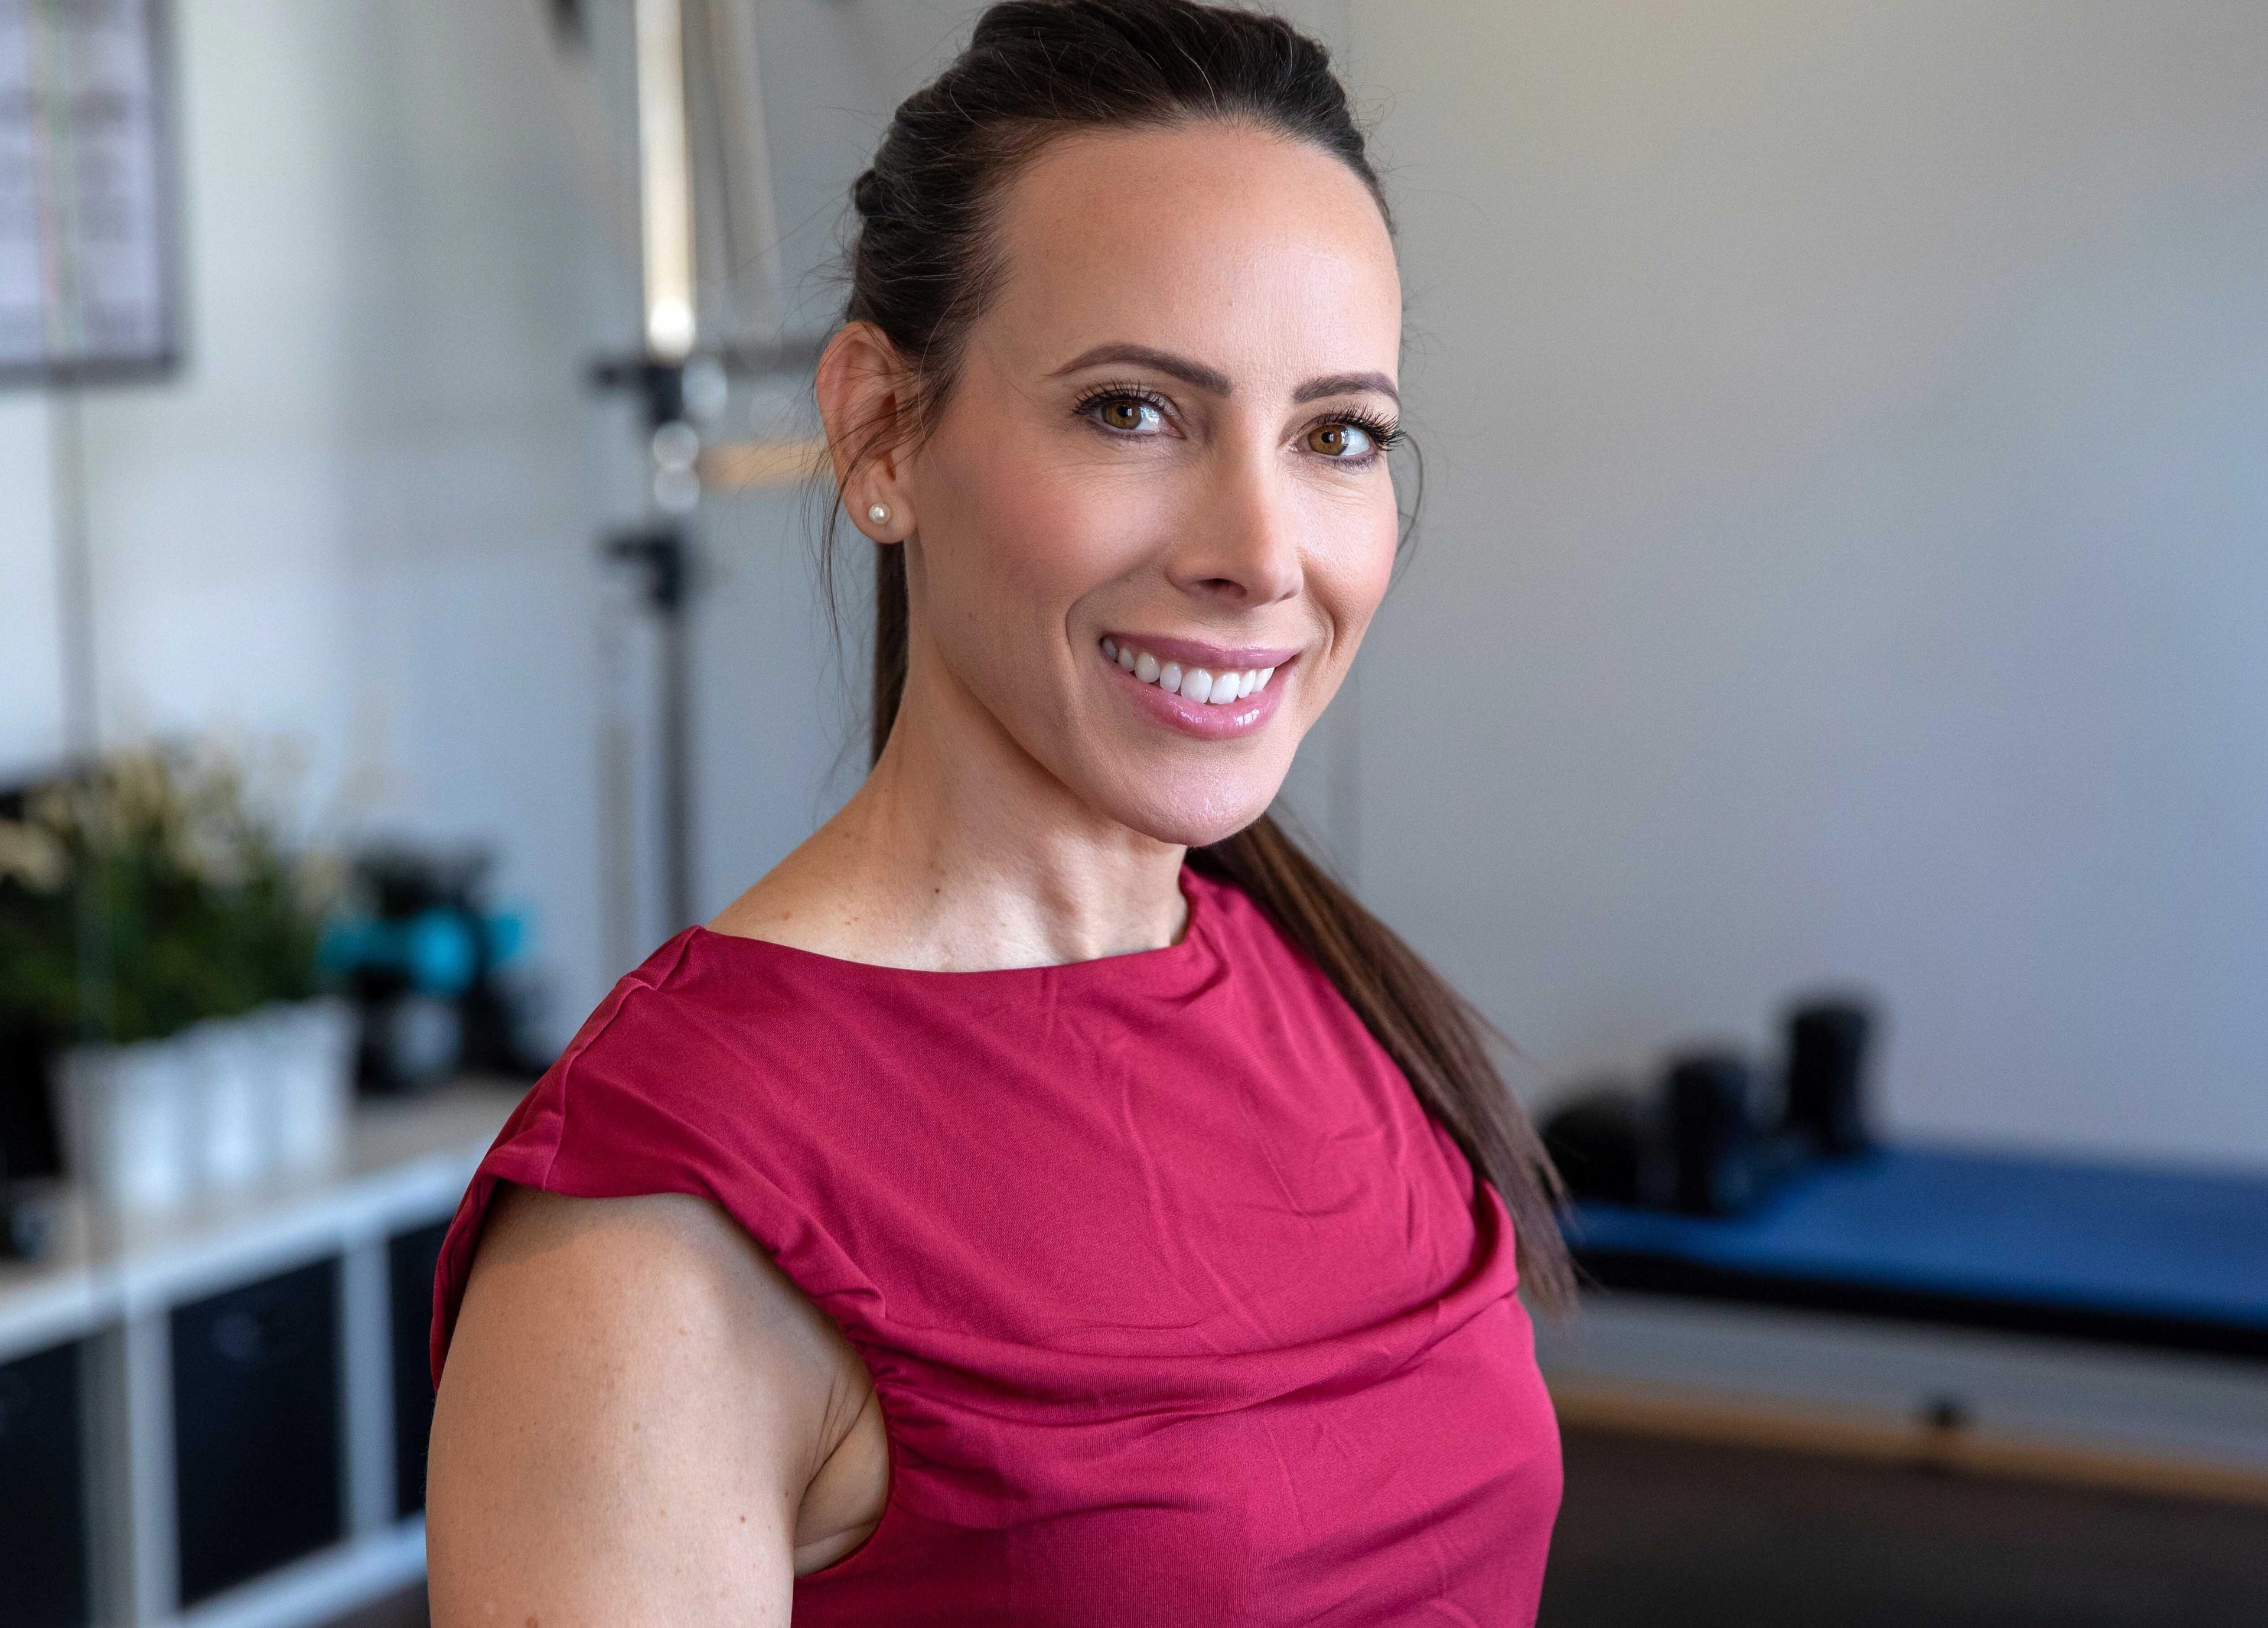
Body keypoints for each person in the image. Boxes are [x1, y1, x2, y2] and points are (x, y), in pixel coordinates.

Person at [426, 1, 1571, 1620]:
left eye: (1338, 435)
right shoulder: (667, 1218)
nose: (1261, 547)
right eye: (1134, 410)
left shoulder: (1337, 1003)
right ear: (881, 427)